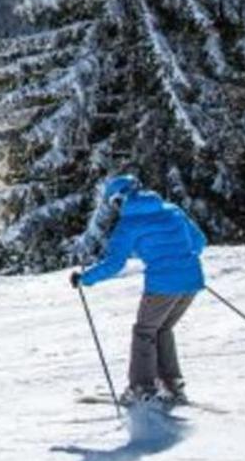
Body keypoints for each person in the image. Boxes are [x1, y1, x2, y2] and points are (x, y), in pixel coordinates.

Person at [71, 173, 208, 405]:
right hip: (192, 281)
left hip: (163, 285)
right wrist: (179, 260)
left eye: (114, 203)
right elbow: (199, 242)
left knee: (144, 332)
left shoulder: (129, 224)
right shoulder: (171, 210)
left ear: (119, 200)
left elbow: (114, 264)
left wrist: (85, 278)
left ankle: (141, 388)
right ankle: (171, 384)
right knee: (162, 329)